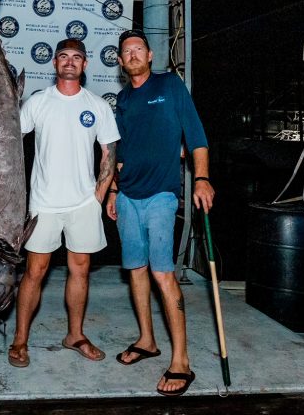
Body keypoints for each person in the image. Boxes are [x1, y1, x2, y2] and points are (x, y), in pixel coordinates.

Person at [106, 28, 214, 398]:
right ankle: (147, 340)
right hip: (128, 198)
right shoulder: (120, 101)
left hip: (162, 196)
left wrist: (201, 179)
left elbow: (196, 136)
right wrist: (114, 191)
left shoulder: (170, 86)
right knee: (135, 271)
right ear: (121, 63)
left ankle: (181, 360)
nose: (133, 54)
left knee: (162, 272)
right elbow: (119, 153)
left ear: (151, 56)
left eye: (138, 48)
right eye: (126, 51)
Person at [8, 38, 119, 368]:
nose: (69, 62)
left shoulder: (98, 105)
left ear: (85, 65)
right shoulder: (38, 102)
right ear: (55, 63)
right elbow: (11, 139)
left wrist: (98, 196)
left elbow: (109, 152)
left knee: (80, 270)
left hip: (83, 204)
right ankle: (19, 340)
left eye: (76, 58)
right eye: (63, 57)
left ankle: (75, 335)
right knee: (34, 271)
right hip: (43, 204)